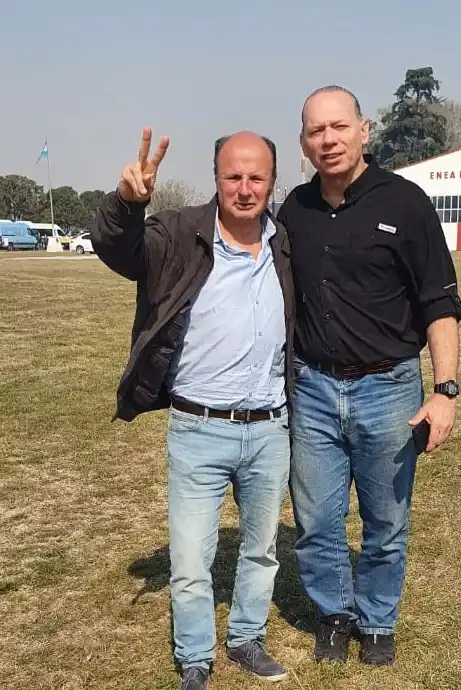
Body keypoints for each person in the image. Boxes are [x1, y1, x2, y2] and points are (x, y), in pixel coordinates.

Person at [90, 128, 295, 690]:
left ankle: (247, 639)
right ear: (216, 179)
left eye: (256, 177)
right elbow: (119, 249)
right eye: (234, 176)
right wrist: (127, 203)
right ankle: (196, 658)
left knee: (261, 550)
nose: (245, 188)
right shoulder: (180, 233)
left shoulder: (286, 242)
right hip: (198, 428)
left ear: (273, 182)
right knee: (190, 560)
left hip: (269, 429)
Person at [277, 86, 461, 667]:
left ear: (364, 130)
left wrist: (445, 390)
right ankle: (334, 614)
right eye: (316, 131)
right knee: (316, 519)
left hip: (389, 389)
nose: (328, 140)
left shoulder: (406, 203)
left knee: (386, 519)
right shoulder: (294, 211)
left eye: (339, 127)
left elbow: (439, 302)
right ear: (303, 142)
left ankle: (378, 619)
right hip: (312, 387)